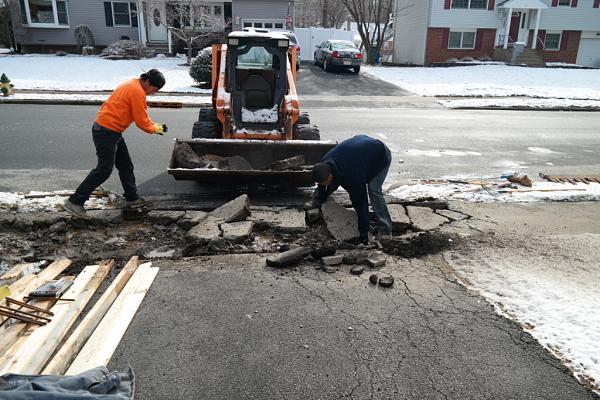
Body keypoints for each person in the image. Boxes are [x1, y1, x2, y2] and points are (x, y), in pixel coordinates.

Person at [64, 69, 169, 219]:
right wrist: (155, 129)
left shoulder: (132, 84)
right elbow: (141, 121)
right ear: (148, 81)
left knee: (125, 165)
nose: (153, 93)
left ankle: (132, 199)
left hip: (110, 130)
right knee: (104, 169)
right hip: (107, 131)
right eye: (154, 89)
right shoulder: (137, 92)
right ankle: (75, 201)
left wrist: (154, 126)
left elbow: (142, 116)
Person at [311, 135, 393, 244]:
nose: (322, 185)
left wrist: (363, 234)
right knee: (334, 184)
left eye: (324, 182)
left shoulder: (352, 176)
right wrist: (319, 199)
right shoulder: (324, 164)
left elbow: (360, 202)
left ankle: (386, 229)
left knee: (374, 190)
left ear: (330, 176)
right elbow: (325, 185)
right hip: (360, 149)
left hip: (380, 155)